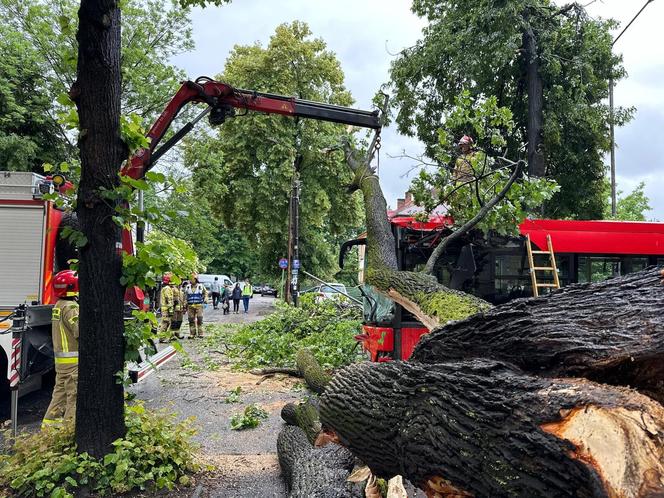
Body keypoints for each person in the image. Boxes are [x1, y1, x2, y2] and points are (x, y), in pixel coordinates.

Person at [42, 270, 79, 428]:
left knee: (59, 395)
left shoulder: (58, 305)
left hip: (62, 362)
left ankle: (49, 428)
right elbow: (80, 332)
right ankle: (69, 430)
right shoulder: (71, 307)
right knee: (73, 396)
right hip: (73, 362)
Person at [185, 273, 208, 338]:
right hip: (190, 306)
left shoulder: (201, 286)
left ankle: (200, 333)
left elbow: (206, 293)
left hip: (199, 305)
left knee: (199, 319)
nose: (190, 280)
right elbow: (185, 296)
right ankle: (192, 334)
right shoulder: (188, 287)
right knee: (191, 319)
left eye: (192, 279)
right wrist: (185, 303)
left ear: (196, 279)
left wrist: (206, 300)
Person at [158, 273, 174, 343]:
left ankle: (164, 337)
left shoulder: (164, 288)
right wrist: (171, 310)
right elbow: (169, 299)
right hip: (166, 309)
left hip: (165, 308)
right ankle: (162, 338)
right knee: (165, 323)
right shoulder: (167, 289)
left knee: (166, 323)